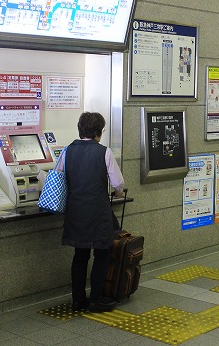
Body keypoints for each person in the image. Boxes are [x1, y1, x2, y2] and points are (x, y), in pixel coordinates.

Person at [63, 112, 125, 313]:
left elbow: (57, 177)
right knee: (102, 253)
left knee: (80, 255)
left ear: (80, 129)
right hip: (98, 212)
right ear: (98, 132)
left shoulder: (67, 151)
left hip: (76, 211)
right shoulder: (104, 152)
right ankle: (96, 299)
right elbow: (118, 183)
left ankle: (78, 300)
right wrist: (118, 193)